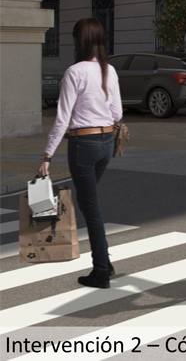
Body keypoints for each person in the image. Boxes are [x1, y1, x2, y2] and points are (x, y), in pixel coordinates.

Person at [37, 18, 122, 289]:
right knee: (89, 200)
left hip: (83, 145)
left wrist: (47, 156)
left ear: (79, 41)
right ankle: (105, 262)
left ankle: (101, 270)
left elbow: (62, 119)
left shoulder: (75, 72)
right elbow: (118, 113)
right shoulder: (109, 70)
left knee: (91, 207)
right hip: (107, 141)